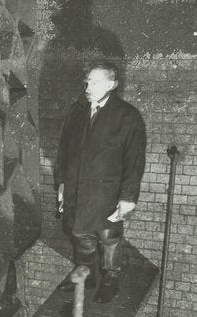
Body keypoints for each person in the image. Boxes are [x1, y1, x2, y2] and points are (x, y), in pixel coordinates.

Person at [54, 62, 146, 303]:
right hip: (77, 189)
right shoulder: (78, 111)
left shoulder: (127, 116)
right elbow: (65, 150)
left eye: (94, 82)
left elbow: (134, 160)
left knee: (108, 239)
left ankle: (110, 281)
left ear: (111, 84)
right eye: (87, 82)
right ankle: (88, 277)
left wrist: (127, 198)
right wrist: (62, 184)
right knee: (82, 236)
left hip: (107, 192)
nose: (88, 87)